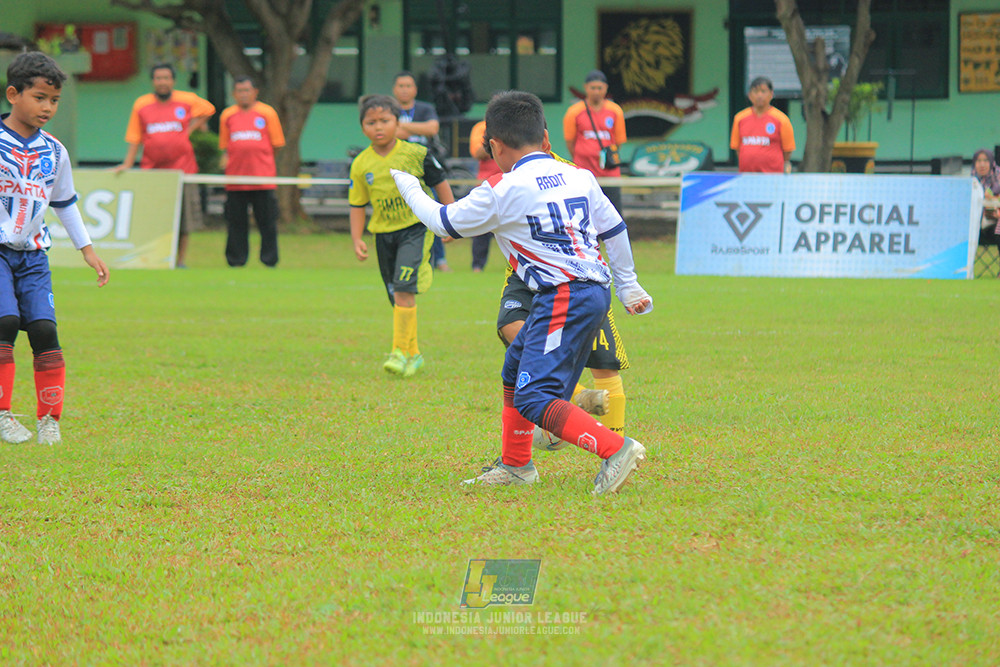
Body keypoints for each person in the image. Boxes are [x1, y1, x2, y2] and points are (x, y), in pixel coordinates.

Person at [392, 90, 653, 495]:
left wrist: (408, 185)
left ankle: (615, 448)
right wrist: (629, 284)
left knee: (533, 397)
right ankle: (517, 466)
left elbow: (442, 223)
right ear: (545, 137)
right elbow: (614, 227)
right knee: (514, 369)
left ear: (495, 145)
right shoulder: (579, 175)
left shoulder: (502, 188)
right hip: (590, 291)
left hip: (564, 295)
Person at [0, 52, 109, 445]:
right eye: (40, 97)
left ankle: (49, 421)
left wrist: (88, 250)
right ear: (13, 94)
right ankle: (3, 415)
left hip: (33, 257)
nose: (47, 107)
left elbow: (64, 203)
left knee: (44, 330)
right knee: (4, 322)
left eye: (55, 100)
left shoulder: (55, 151)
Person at [494, 135, 632, 439]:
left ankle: (616, 443)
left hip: (578, 275)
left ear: (544, 140)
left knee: (604, 360)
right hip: (525, 272)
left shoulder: (573, 174)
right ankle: (575, 395)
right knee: (510, 326)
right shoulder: (506, 178)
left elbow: (609, 224)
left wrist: (629, 283)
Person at [349, 95, 455, 377]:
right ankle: (413, 354)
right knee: (396, 296)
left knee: (403, 288)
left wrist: (451, 220)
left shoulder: (416, 154)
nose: (378, 127)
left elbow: (440, 183)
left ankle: (398, 352)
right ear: (362, 127)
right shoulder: (361, 164)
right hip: (383, 235)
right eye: (371, 122)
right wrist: (357, 238)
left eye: (385, 121)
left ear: (398, 123)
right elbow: (357, 204)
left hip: (415, 228)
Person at [114, 63, 215, 268]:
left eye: (166, 78)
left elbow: (209, 110)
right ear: (153, 81)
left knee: (185, 220)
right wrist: (127, 163)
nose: (162, 82)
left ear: (173, 81)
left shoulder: (186, 100)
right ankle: (154, 259)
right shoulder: (142, 104)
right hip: (153, 171)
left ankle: (180, 261)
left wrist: (191, 128)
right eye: (158, 78)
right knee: (154, 217)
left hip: (183, 170)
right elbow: (135, 136)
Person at [218, 77, 286, 268]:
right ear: (234, 94)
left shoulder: (267, 113)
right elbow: (226, 146)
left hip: (262, 179)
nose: (243, 94)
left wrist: (261, 161)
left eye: (247, 90)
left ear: (255, 92)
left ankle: (269, 260)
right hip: (235, 180)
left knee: (267, 222)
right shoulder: (228, 115)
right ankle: (236, 260)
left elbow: (277, 145)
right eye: (239, 91)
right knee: (236, 223)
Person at [393, 71, 450, 272]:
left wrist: (403, 126)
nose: (405, 90)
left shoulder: (425, 109)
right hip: (399, 169)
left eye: (408, 86)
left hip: (424, 169)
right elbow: (393, 133)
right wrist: (416, 128)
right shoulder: (390, 109)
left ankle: (440, 260)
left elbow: (432, 128)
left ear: (415, 89)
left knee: (431, 212)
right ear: (394, 89)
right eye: (401, 86)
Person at [562, 70, 627, 213]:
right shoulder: (574, 112)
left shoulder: (615, 111)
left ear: (606, 88)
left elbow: (619, 141)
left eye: (600, 88)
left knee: (612, 212)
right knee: (585, 212)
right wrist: (583, 155)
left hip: (610, 174)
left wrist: (607, 157)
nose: (596, 92)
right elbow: (570, 142)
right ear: (586, 88)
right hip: (583, 172)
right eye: (593, 88)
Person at [730, 76, 795, 173]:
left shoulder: (781, 119)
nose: (759, 95)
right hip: (747, 175)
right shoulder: (739, 118)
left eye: (763, 91)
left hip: (773, 176)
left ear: (771, 94)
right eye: (756, 92)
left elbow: (787, 150)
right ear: (749, 95)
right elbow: (737, 147)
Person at [468, 119, 499, 272]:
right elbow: (477, 153)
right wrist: (497, 139)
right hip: (486, 185)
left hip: (512, 182)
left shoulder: (515, 125)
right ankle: (477, 266)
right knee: (481, 229)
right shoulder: (481, 128)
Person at [972, 148, 1000, 271]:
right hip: (975, 224)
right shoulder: (972, 180)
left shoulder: (998, 177)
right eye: (979, 161)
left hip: (994, 223)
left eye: (985, 161)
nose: (982, 165)